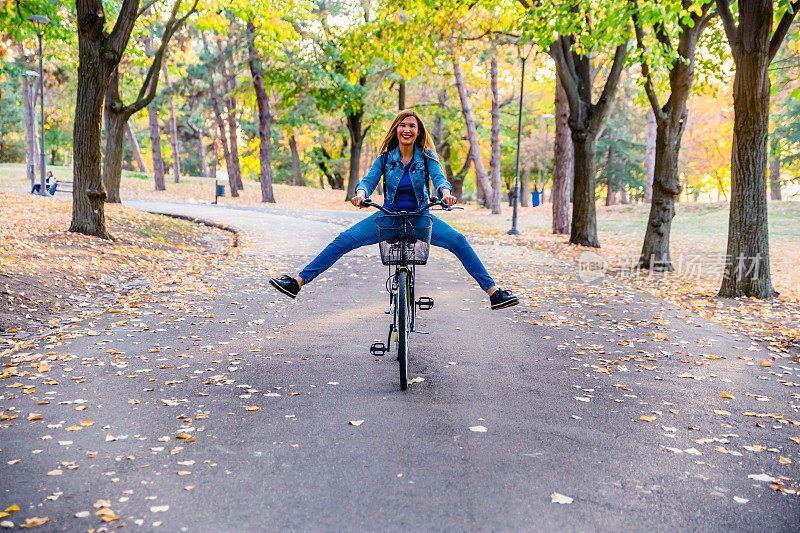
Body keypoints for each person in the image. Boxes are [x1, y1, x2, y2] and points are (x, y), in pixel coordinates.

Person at [269, 109, 519, 310]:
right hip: (387, 218)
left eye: (412, 126)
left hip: (421, 219)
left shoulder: (428, 157)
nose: (407, 129)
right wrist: (360, 194)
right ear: (396, 130)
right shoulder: (386, 158)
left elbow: (440, 179)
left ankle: (494, 293)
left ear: (418, 131)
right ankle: (297, 282)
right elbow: (368, 180)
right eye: (403, 125)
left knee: (459, 241)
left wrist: (445, 194)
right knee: (343, 240)